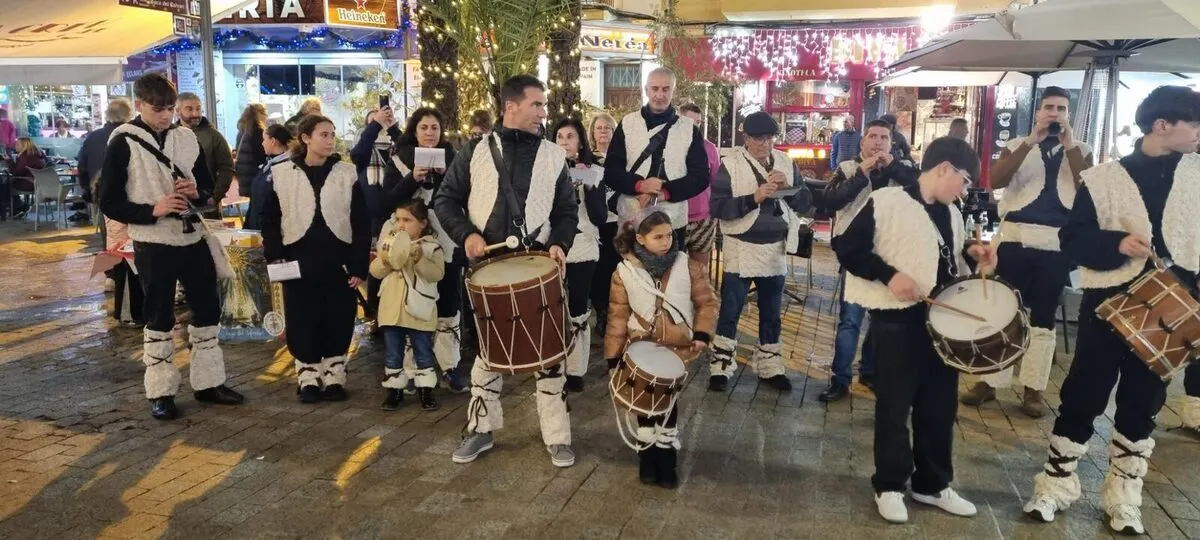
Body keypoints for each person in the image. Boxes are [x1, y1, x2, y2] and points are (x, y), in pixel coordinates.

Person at [1023, 86, 1200, 536]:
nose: (1199, 132)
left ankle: (1124, 495)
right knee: (1084, 390)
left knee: (1144, 399)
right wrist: (1116, 243)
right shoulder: (1102, 178)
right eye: (1194, 123)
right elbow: (1072, 239)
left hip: (1171, 309)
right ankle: (1056, 484)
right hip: (1108, 302)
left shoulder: (1198, 176)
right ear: (1162, 125)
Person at [837, 136, 989, 524]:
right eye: (965, 180)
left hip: (942, 323)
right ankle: (889, 485)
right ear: (944, 169)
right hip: (896, 320)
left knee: (940, 406)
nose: (965, 190)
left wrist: (972, 256)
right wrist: (890, 276)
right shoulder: (887, 201)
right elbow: (848, 249)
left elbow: (948, 262)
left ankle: (932, 484)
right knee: (894, 406)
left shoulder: (952, 213)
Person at [434, 74, 579, 468]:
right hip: (488, 268)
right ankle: (480, 430)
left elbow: (567, 211)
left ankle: (558, 437)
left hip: (539, 266)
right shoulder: (474, 151)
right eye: (537, 104)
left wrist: (559, 243)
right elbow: (445, 199)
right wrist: (466, 235)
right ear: (511, 106)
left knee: (550, 356)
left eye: (544, 105)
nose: (543, 112)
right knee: (487, 355)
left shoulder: (553, 155)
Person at [98, 73, 244, 420]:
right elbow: (109, 200)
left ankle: (209, 382)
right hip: (153, 242)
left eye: (169, 109)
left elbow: (206, 189)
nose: (165, 116)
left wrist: (197, 192)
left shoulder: (186, 137)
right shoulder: (123, 141)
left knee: (207, 309)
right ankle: (161, 391)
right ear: (139, 105)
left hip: (192, 236)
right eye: (158, 109)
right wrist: (153, 210)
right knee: (159, 314)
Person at [960, 86, 1094, 418]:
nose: (1054, 113)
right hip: (1015, 236)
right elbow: (996, 180)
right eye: (1049, 107)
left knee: (1044, 318)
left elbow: (1087, 189)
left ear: (1068, 114)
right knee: (1004, 310)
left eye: (1061, 108)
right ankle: (990, 380)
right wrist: (1031, 141)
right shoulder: (1018, 144)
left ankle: (1034, 387)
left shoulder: (1081, 149)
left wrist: (1070, 146)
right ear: (1037, 112)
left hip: (1055, 241)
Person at [260, 114, 371, 404]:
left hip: (337, 259)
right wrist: (275, 255)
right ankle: (308, 376)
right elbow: (269, 219)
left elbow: (361, 223)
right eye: (324, 134)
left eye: (332, 134)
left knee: (338, 316)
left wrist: (359, 265)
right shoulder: (283, 173)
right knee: (302, 317)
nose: (330, 140)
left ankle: (334, 375)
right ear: (306, 138)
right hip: (299, 258)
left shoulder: (346, 173)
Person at [604, 208, 718, 489]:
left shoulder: (688, 266)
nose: (666, 242)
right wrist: (613, 356)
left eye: (669, 235)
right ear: (640, 239)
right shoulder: (624, 272)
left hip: (676, 347)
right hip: (641, 346)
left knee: (667, 402)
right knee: (644, 402)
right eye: (658, 237)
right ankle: (647, 457)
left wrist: (702, 333)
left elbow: (706, 302)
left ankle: (666, 460)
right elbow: (617, 316)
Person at [708, 112, 813, 392]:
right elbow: (717, 208)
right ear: (746, 138)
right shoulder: (730, 165)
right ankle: (720, 366)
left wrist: (789, 188)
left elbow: (806, 203)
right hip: (741, 246)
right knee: (731, 309)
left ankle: (770, 366)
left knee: (771, 311)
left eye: (769, 138)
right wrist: (753, 198)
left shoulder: (786, 162)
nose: (764, 144)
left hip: (775, 248)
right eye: (758, 139)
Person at [820, 120, 919, 402]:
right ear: (862, 142)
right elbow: (830, 201)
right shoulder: (848, 168)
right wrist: (860, 174)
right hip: (856, 256)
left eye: (883, 137)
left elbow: (921, 191)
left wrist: (893, 167)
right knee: (850, 322)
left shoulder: (903, 168)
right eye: (872, 136)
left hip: (889, 256)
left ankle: (870, 371)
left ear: (891, 143)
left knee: (880, 319)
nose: (877, 142)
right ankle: (840, 379)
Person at [382, 107, 467, 393]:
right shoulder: (399, 159)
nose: (430, 133)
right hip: (409, 241)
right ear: (414, 131)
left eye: (435, 128)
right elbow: (387, 201)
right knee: (413, 300)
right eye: (424, 127)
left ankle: (449, 366)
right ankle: (413, 368)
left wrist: (444, 176)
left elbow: (464, 198)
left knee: (448, 301)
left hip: (446, 239)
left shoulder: (454, 159)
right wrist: (412, 179)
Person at [603, 67, 712, 246]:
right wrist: (639, 185)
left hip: (673, 219)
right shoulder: (628, 123)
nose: (659, 95)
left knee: (671, 264)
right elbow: (611, 171)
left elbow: (700, 177)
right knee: (631, 264)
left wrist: (665, 193)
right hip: (632, 215)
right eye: (655, 89)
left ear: (673, 91)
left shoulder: (689, 129)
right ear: (646, 90)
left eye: (665, 89)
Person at [371, 198, 446, 411]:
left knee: (423, 350)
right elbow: (375, 271)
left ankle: (426, 390)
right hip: (392, 310)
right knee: (393, 352)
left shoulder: (432, 247)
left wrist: (420, 259)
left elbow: (437, 274)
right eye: (398, 220)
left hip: (419, 309)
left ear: (422, 223)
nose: (401, 225)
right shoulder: (389, 243)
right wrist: (387, 258)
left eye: (407, 220)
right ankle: (394, 390)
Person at [552, 117, 608, 393]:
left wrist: (588, 185)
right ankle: (553, 361)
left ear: (581, 142)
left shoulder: (593, 171)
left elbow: (600, 216)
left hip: (583, 245)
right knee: (553, 306)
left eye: (570, 136)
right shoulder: (546, 169)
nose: (564, 142)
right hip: (553, 245)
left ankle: (576, 368)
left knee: (577, 306)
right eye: (559, 137)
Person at [349, 106, 400, 331]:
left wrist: (392, 127)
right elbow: (357, 155)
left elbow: (408, 149)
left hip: (397, 217)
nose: (379, 126)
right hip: (371, 219)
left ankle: (395, 313)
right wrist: (375, 125)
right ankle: (376, 315)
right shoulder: (364, 150)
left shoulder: (396, 148)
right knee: (376, 268)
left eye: (382, 121)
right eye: (373, 122)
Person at [589, 112, 620, 338]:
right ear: (592, 132)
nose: (602, 131)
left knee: (615, 267)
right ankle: (600, 311)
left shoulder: (621, 159)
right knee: (599, 270)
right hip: (597, 222)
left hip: (618, 222)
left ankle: (616, 312)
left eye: (607, 127)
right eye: (599, 128)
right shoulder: (587, 159)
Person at [678, 103, 719, 270]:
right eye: (690, 122)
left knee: (700, 270)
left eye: (698, 122)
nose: (695, 126)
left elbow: (716, 181)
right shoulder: (668, 146)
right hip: (676, 216)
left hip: (704, 219)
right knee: (673, 270)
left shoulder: (709, 148)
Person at [177, 93, 235, 206]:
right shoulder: (171, 135)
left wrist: (215, 196)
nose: (195, 114)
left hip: (206, 200)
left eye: (198, 109)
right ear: (178, 111)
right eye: (189, 109)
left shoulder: (213, 136)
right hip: (179, 202)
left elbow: (227, 167)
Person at [78, 99, 133, 217]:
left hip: (98, 194)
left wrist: (88, 190)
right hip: (128, 196)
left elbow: (82, 167)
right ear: (128, 115)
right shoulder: (132, 136)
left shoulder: (92, 137)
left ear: (107, 114)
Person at [244, 125, 293, 231]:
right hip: (256, 228)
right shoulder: (268, 164)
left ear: (273, 141)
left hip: (272, 232)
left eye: (264, 139)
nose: (262, 143)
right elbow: (255, 199)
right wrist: (247, 224)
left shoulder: (287, 168)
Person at [234, 104, 268, 197]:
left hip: (244, 175)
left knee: (253, 201)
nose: (267, 117)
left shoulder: (242, 131)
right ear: (259, 114)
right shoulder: (258, 132)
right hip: (255, 175)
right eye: (265, 114)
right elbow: (262, 156)